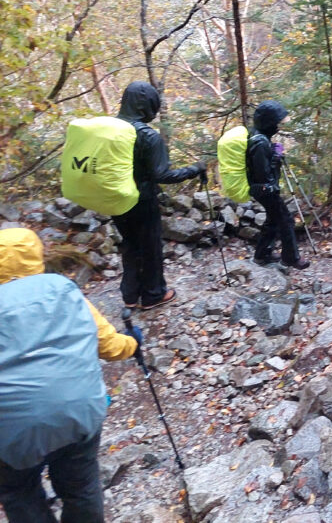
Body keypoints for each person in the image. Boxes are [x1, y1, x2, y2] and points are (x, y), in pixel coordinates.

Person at [0, 227, 138, 523]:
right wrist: (133, 342)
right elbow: (111, 347)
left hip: (10, 429)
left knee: (19, 492)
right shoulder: (62, 289)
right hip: (77, 410)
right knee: (81, 486)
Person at [113, 81, 204, 309]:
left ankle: (130, 295)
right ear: (148, 106)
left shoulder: (112, 129)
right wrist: (193, 170)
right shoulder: (148, 136)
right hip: (141, 200)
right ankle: (153, 295)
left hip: (115, 199)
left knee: (130, 245)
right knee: (150, 247)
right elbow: (162, 175)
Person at [247, 100, 309, 269]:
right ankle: (290, 257)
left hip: (262, 189)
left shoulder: (260, 137)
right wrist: (275, 157)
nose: (278, 126)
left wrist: (273, 151)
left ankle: (262, 254)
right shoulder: (260, 143)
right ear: (268, 122)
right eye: (276, 122)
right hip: (265, 190)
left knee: (273, 219)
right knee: (286, 220)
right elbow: (263, 174)